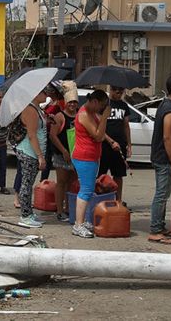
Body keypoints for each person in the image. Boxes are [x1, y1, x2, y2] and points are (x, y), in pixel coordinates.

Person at [148, 74, 171, 245]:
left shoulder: (165, 104)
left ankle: (160, 226)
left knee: (163, 195)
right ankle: (155, 231)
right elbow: (167, 138)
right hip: (164, 159)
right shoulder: (170, 109)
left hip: (161, 158)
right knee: (161, 196)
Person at [71, 89, 110, 238]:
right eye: (101, 106)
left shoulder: (92, 113)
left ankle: (81, 221)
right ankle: (78, 224)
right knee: (86, 190)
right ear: (94, 102)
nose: (102, 109)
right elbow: (98, 136)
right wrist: (105, 117)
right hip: (84, 157)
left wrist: (110, 140)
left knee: (88, 189)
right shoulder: (84, 114)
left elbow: (101, 133)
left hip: (91, 156)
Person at [15, 89, 49, 229]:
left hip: (34, 152)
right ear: (35, 94)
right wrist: (40, 156)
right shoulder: (30, 109)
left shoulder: (37, 109)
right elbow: (31, 135)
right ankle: (25, 216)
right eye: (43, 92)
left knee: (29, 183)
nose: (46, 94)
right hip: (29, 152)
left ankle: (29, 213)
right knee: (26, 184)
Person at [49, 85, 79, 222]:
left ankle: (68, 208)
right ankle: (60, 210)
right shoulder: (59, 116)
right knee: (61, 182)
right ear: (66, 103)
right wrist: (64, 151)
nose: (72, 105)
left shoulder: (80, 116)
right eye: (70, 102)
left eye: (74, 102)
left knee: (72, 183)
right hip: (61, 155)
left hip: (75, 155)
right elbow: (53, 135)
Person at [99, 85, 132, 203]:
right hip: (105, 144)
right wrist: (110, 141)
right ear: (110, 89)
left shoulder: (124, 106)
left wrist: (129, 144)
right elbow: (99, 127)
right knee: (101, 174)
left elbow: (126, 125)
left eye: (121, 90)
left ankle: (118, 200)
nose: (118, 92)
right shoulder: (104, 105)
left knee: (118, 174)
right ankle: (100, 199)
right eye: (115, 89)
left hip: (120, 145)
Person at [40, 83, 65, 181]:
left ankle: (46, 179)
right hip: (47, 131)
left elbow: (62, 115)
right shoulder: (51, 102)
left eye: (49, 90)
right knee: (47, 157)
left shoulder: (60, 102)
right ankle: (43, 179)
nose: (47, 92)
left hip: (55, 133)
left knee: (51, 157)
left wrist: (54, 118)